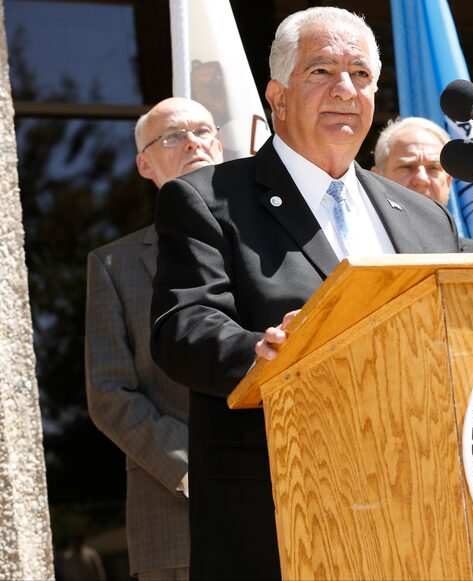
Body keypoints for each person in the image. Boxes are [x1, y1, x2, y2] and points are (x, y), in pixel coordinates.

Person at [149, 7, 461, 579]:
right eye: (322, 71)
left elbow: (461, 328)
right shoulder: (208, 199)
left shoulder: (425, 219)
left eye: (361, 75)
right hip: (281, 512)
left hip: (420, 508)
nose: (346, 89)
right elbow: (183, 327)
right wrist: (262, 354)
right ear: (279, 97)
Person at [85, 97, 223, 581]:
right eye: (172, 136)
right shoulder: (113, 266)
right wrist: (194, 466)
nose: (192, 143)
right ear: (144, 163)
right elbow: (109, 394)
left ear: (219, 145)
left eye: (203, 132)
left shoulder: (274, 246)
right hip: (177, 517)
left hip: (291, 504)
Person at [371, 116, 473, 252]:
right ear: (376, 178)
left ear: (448, 181)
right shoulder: (356, 252)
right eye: (407, 167)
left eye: (433, 168)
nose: (422, 179)